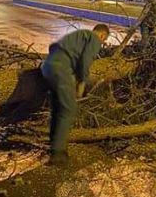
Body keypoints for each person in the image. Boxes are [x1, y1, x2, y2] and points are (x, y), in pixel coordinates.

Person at [41, 25, 110, 164]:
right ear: (102, 35)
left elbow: (54, 47)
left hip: (47, 67)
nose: (101, 44)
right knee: (68, 110)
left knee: (58, 110)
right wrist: (82, 82)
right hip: (61, 68)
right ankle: (58, 155)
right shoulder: (94, 38)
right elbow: (85, 60)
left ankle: (54, 145)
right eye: (103, 41)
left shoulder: (79, 35)